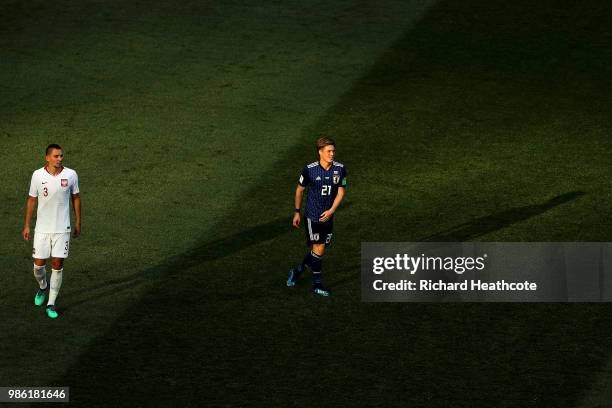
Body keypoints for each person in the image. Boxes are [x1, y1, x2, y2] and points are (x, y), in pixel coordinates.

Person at [22, 144, 81, 319]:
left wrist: (78, 221)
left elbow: (76, 198)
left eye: (61, 156)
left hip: (62, 229)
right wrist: (26, 225)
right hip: (42, 229)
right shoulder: (37, 175)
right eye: (56, 156)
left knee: (57, 265)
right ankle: (42, 287)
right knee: (38, 266)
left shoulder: (71, 175)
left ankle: (51, 303)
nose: (59, 159)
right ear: (47, 157)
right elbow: (31, 200)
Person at [287, 137, 347, 296]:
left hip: (329, 216)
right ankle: (317, 285)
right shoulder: (309, 170)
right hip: (313, 216)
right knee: (319, 248)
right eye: (329, 151)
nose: (332, 154)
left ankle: (297, 270)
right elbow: (300, 190)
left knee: (319, 250)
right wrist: (296, 211)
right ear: (320, 152)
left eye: (333, 151)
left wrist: (332, 210)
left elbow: (341, 191)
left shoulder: (340, 169)